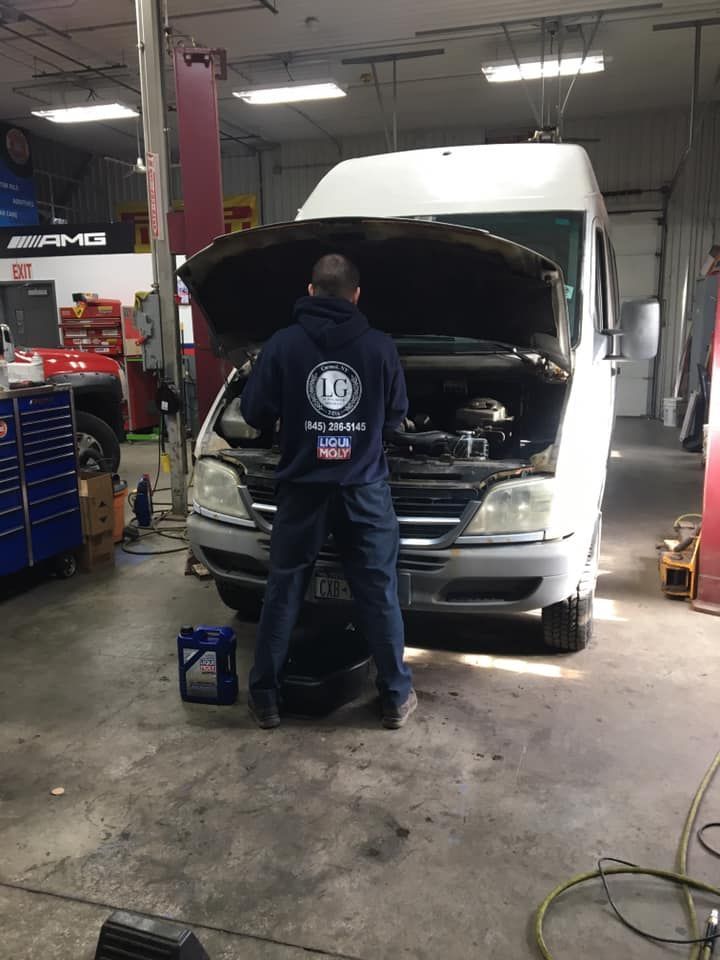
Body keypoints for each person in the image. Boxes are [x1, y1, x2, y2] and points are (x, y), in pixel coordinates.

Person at [240, 253, 416, 731]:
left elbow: (253, 414)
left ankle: (266, 699)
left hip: (302, 490)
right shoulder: (380, 348)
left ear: (311, 290)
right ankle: (395, 697)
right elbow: (397, 417)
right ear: (356, 295)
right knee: (378, 591)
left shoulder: (282, 346)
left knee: (284, 590)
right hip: (363, 489)